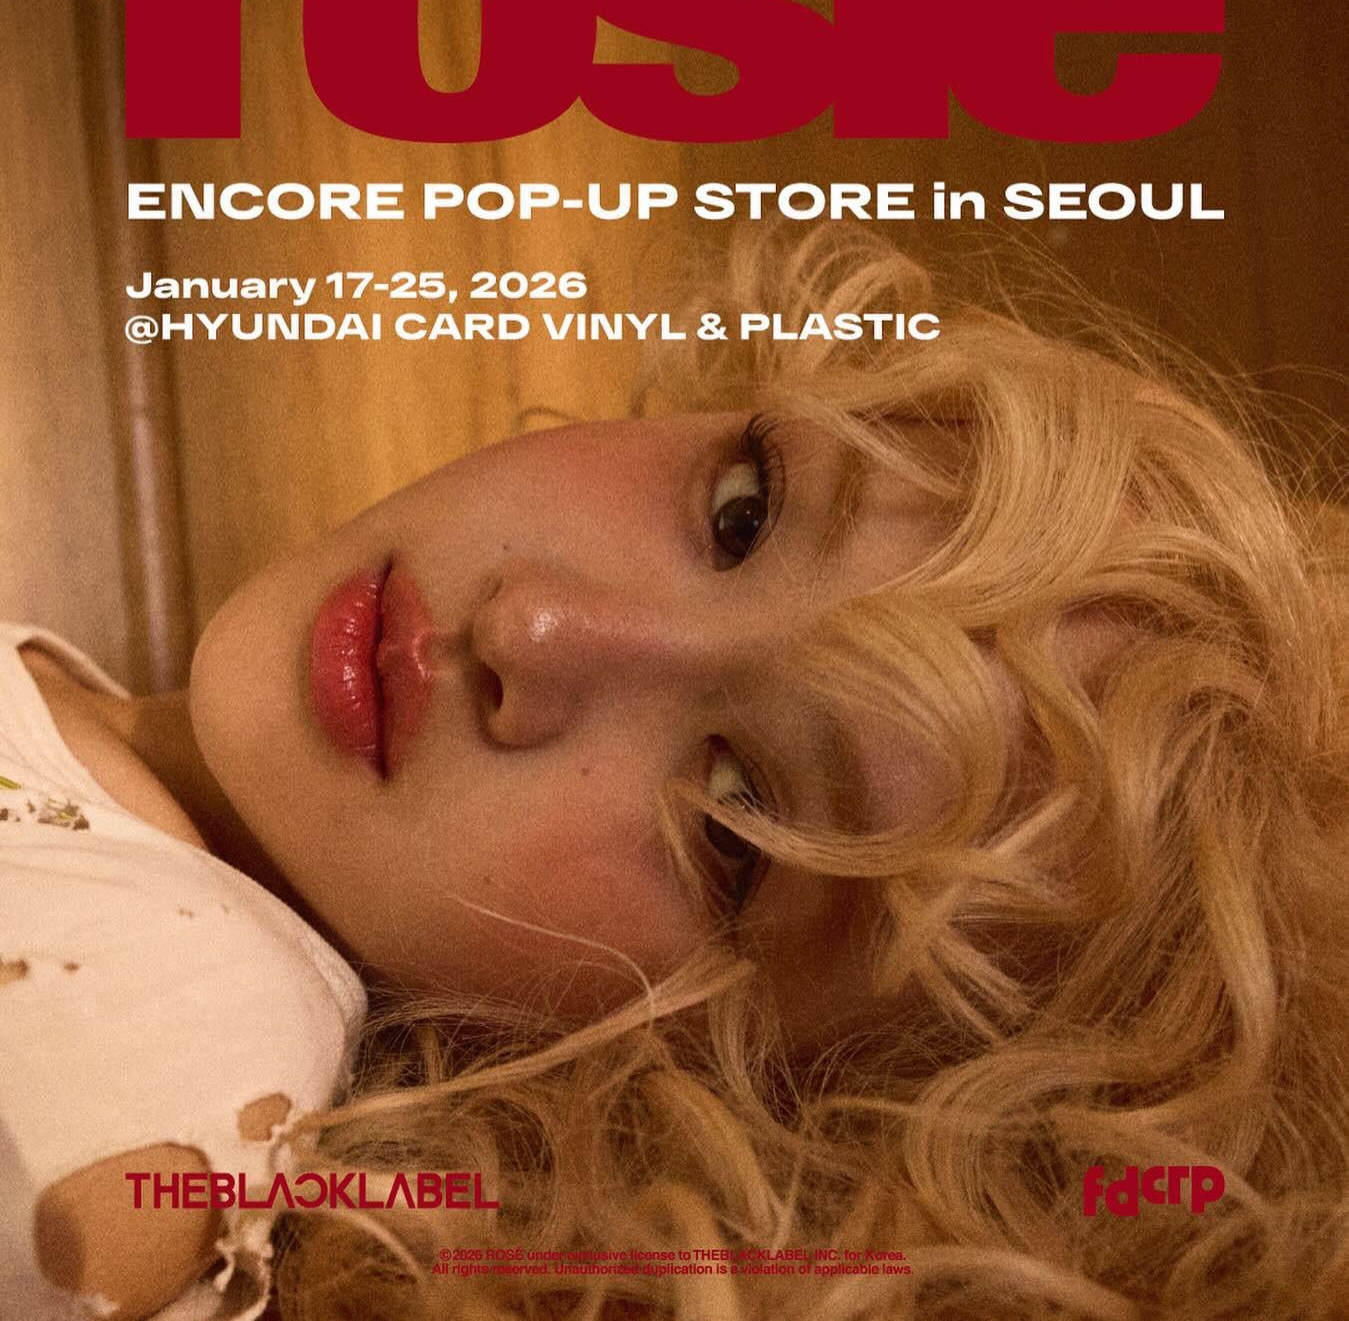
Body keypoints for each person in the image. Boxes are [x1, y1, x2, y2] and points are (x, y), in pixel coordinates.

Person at [2, 230, 1345, 1321]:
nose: (534, 627)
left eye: (735, 820)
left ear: (711, 1102)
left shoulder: (145, 1047)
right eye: (743, 511)